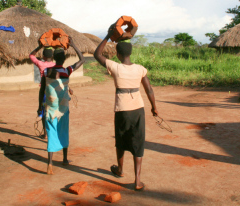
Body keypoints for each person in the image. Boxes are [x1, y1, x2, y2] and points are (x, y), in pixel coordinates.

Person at [94, 25, 158, 191]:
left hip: (122, 110)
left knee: (121, 140)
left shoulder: (115, 67)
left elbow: (97, 54)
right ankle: (137, 180)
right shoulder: (140, 69)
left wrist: (108, 35)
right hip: (138, 110)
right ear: (130, 53)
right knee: (138, 141)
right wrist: (154, 107)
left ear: (118, 54)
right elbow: (149, 89)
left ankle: (120, 170)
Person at [39, 37, 84, 175]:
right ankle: (64, 159)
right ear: (64, 60)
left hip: (50, 108)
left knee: (51, 133)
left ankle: (50, 164)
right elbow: (82, 60)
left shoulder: (47, 72)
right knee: (63, 131)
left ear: (53, 57)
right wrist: (74, 44)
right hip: (63, 109)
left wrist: (40, 106)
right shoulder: (67, 70)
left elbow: (41, 91)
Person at [30, 45, 55, 139]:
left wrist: (39, 47)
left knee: (44, 111)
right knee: (52, 111)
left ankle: (45, 133)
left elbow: (31, 56)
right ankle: (53, 132)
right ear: (52, 57)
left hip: (44, 91)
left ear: (43, 57)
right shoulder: (55, 66)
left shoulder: (41, 64)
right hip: (53, 92)